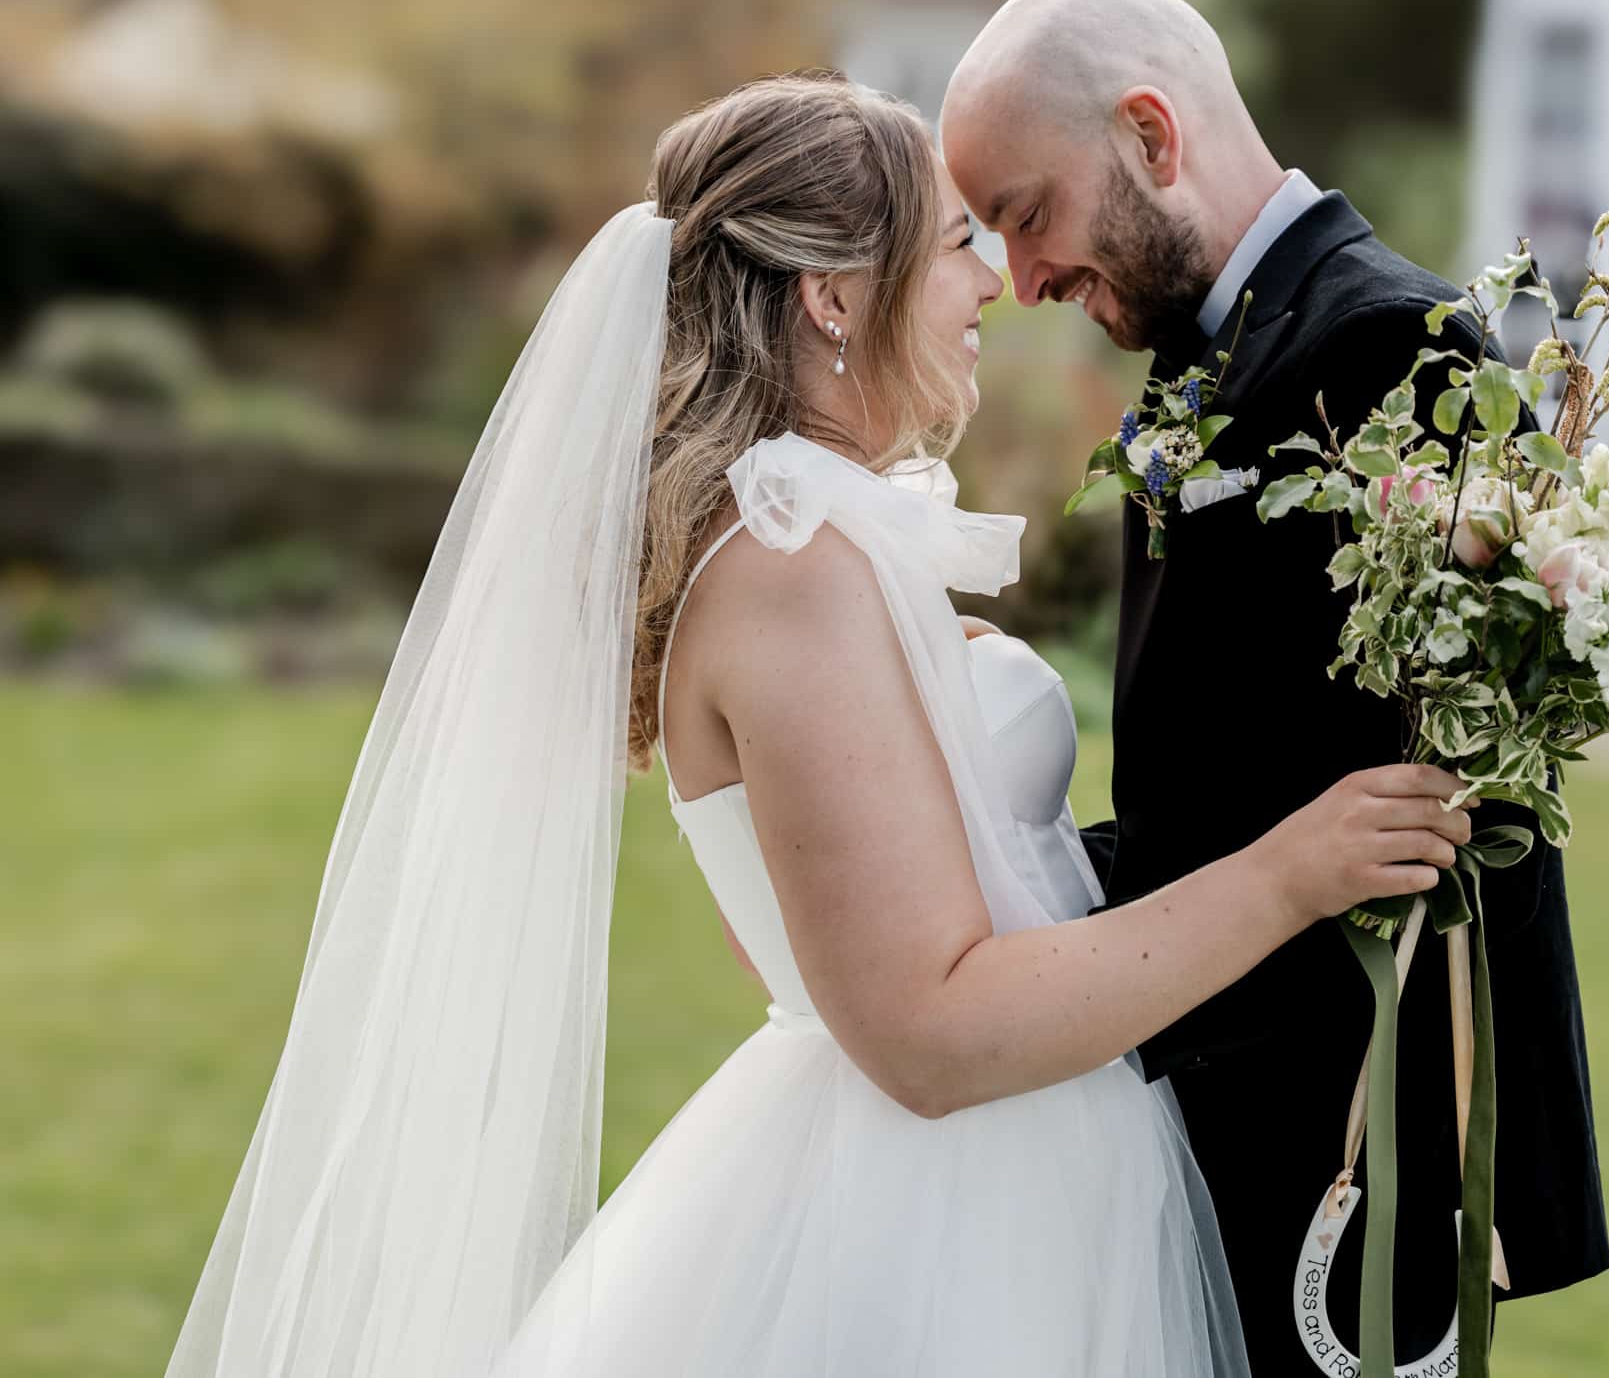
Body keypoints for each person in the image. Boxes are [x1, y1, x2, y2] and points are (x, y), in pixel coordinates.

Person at [165, 71, 1480, 1378]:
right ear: (834, 296)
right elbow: (928, 1032)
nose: (994, 284)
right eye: (958, 242)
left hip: (1018, 1167)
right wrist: (1291, 874)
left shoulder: (810, 538)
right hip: (949, 1213)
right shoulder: (790, 567)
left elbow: (820, 925)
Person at [943, 0, 1609, 1372]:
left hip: (1346, 1129)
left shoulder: (1391, 344)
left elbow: (1435, 797)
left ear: (1150, 135)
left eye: (1027, 213)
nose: (1023, 280)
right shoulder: (1213, 348)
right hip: (1222, 1088)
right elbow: (1238, 768)